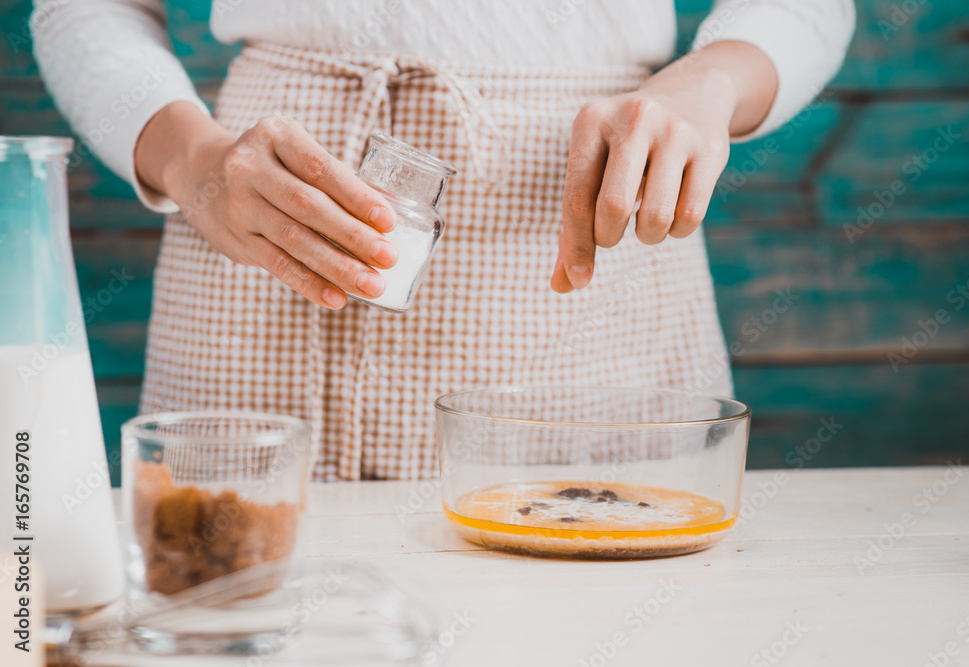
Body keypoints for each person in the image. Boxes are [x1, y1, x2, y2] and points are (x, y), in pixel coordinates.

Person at [33, 0, 854, 480]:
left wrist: (712, 82)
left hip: (589, 223)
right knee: (229, 592)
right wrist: (192, 160)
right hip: (267, 220)